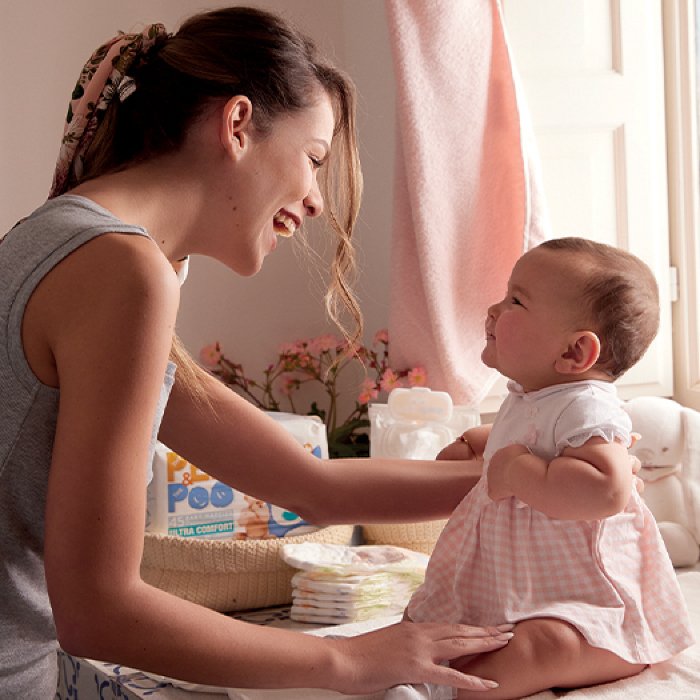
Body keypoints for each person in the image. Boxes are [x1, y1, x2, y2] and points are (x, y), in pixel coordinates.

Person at [0, 7, 521, 699]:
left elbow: (309, 487)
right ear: (237, 123)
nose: (313, 200)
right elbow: (98, 611)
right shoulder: (121, 269)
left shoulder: (65, 240)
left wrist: (518, 473)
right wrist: (350, 663)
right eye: (313, 159)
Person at [389, 237, 696, 700]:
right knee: (436, 623)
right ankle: (417, 670)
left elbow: (608, 488)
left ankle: (446, 692)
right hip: (514, 583)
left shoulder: (588, 406)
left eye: (516, 301)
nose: (494, 308)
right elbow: (533, 438)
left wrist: (517, 472)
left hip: (586, 604)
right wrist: (484, 443)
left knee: (544, 646)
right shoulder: (532, 395)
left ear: (575, 354)